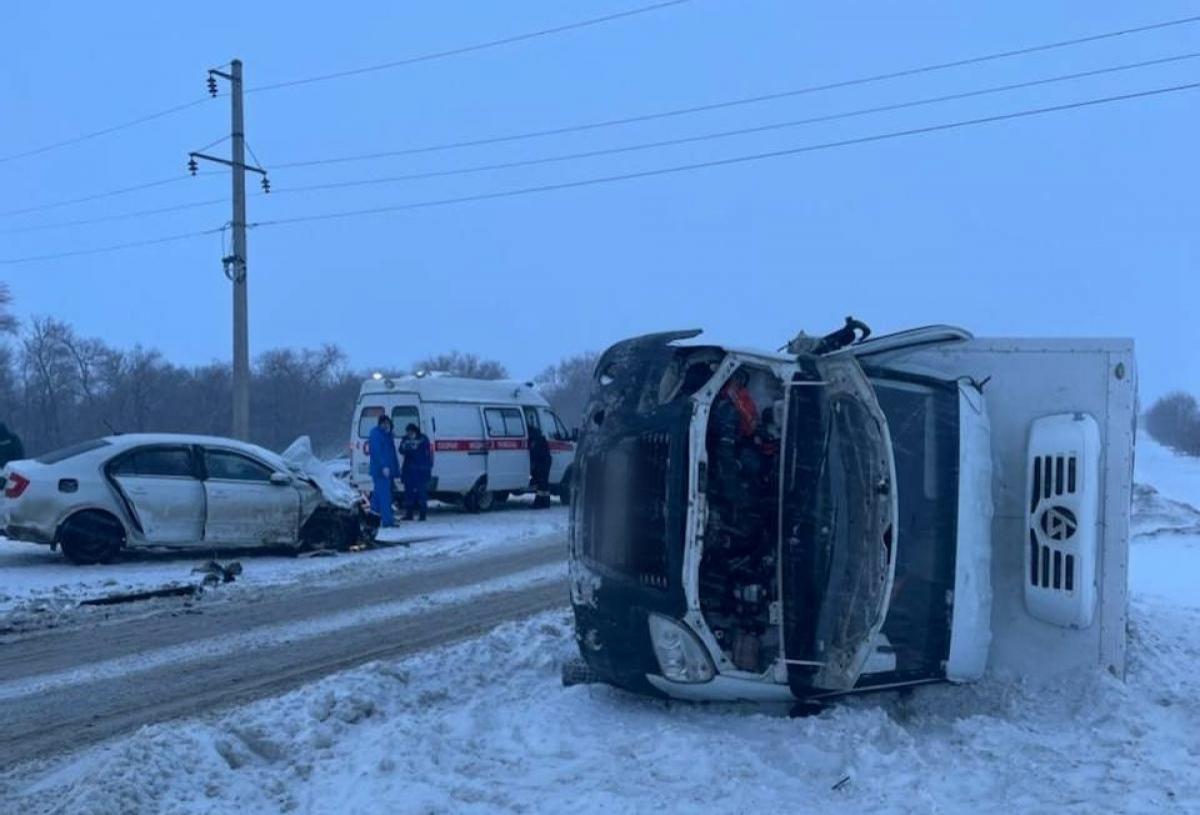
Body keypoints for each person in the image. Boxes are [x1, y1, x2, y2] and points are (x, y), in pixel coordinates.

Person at [367, 415, 400, 527]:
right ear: (381, 423)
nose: (388, 426)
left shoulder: (385, 435)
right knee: (385, 497)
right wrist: (384, 466)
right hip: (381, 471)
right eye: (386, 424)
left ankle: (371, 519)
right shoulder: (376, 434)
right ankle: (387, 521)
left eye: (389, 424)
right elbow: (377, 452)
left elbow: (390, 453)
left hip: (386, 471)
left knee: (377, 497)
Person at [399, 422, 433, 521]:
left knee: (421, 493)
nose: (408, 434)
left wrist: (412, 448)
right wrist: (407, 447)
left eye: (410, 432)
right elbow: (401, 449)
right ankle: (409, 514)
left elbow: (424, 453)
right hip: (409, 471)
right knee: (408, 493)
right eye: (407, 432)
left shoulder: (423, 439)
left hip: (420, 471)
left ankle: (423, 514)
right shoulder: (405, 439)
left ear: (414, 431)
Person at [528, 425, 552, 509]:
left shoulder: (536, 440)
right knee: (544, 483)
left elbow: (535, 454)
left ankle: (538, 503)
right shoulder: (541, 439)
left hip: (542, 463)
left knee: (541, 483)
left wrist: (534, 466)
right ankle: (546, 502)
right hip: (546, 462)